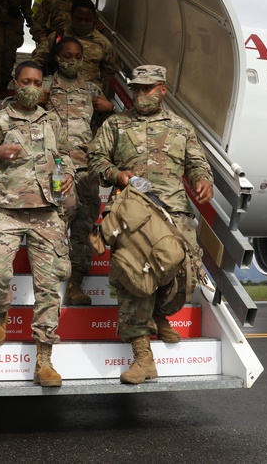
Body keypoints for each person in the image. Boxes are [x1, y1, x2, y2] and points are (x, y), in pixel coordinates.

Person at [86, 65, 214, 385]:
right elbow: (95, 159)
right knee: (134, 278)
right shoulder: (116, 124)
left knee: (187, 274)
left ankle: (159, 313)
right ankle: (143, 358)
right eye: (137, 88)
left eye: (148, 88)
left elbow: (197, 163)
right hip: (133, 213)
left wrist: (202, 180)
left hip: (174, 211)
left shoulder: (180, 127)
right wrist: (118, 175)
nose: (141, 94)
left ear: (162, 89)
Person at [0, 60, 75, 387]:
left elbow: (65, 155)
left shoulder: (52, 120)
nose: (31, 87)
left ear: (43, 87)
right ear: (15, 82)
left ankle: (44, 360)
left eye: (37, 82)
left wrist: (67, 173)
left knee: (48, 287)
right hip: (9, 209)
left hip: (48, 211)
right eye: (26, 81)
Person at [41, 37, 113, 305]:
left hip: (85, 168)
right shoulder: (45, 84)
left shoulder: (91, 88)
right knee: (61, 216)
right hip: (58, 167)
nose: (72, 60)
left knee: (84, 223)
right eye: (66, 55)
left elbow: (107, 114)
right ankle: (49, 282)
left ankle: (75, 284)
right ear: (58, 56)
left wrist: (109, 106)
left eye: (77, 56)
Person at [32, 0, 119, 97]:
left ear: (94, 19)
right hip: (59, 92)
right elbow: (38, 57)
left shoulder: (103, 43)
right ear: (72, 17)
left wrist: (92, 79)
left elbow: (110, 69)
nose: (82, 23)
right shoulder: (59, 36)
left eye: (87, 20)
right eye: (79, 19)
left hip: (89, 95)